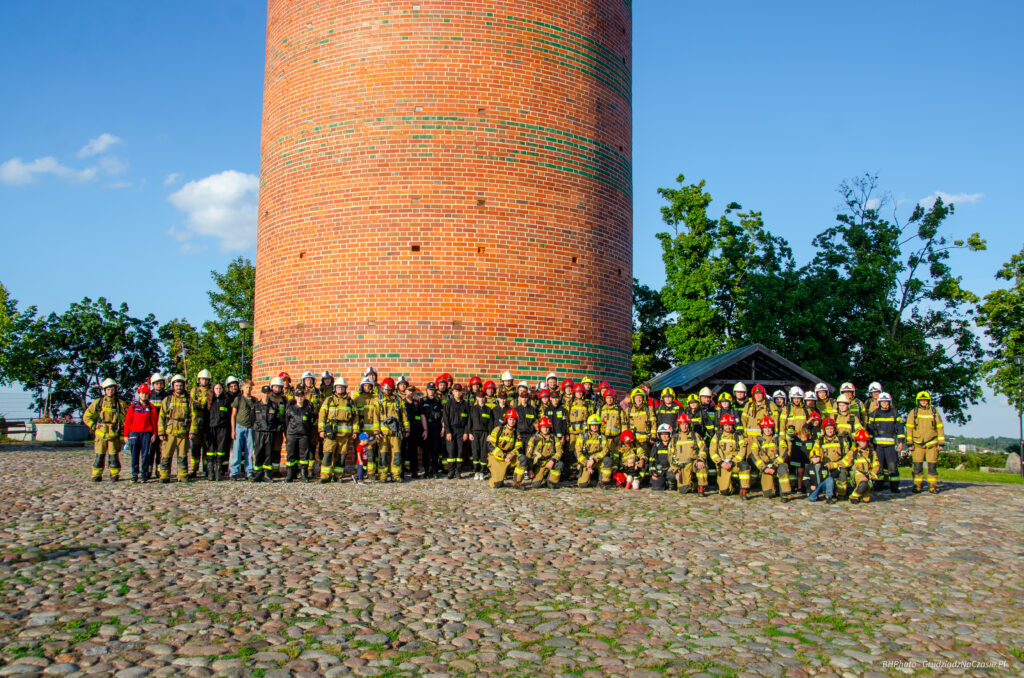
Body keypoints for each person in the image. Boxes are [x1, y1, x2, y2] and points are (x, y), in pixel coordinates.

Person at [83, 378, 129, 482]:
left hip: (113, 434)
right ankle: (96, 474)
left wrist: (124, 431)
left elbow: (127, 418)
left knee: (114, 457)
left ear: (115, 390)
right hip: (101, 434)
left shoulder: (120, 404)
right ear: (104, 390)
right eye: (108, 389)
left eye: (112, 389)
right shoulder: (98, 403)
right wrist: (93, 426)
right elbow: (87, 416)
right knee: (99, 456)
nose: (110, 391)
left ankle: (114, 474)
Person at [318, 377, 359, 483]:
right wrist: (321, 430)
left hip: (344, 435)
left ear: (345, 388)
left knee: (341, 456)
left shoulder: (350, 402)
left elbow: (355, 418)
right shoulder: (329, 400)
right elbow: (322, 415)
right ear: (335, 388)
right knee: (328, 454)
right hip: (331, 433)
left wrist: (355, 431)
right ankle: (325, 476)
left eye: (342, 387)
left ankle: (338, 476)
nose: (340, 389)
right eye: (338, 387)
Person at [905, 390, 945, 493]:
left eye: (925, 400)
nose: (923, 402)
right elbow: (909, 428)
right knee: (917, 467)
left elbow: (939, 427)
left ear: (929, 401)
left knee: (932, 466)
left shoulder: (934, 412)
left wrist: (941, 442)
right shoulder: (913, 412)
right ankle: (917, 486)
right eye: (921, 400)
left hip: (932, 443)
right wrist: (909, 442)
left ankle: (933, 486)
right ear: (918, 401)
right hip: (917, 444)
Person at [866, 392, 905, 493]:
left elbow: (900, 428)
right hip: (877, 445)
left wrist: (901, 442)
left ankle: (894, 487)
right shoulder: (873, 414)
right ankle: (878, 486)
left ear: (889, 402)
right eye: (882, 401)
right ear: (879, 403)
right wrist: (869, 443)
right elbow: (869, 429)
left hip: (890, 446)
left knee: (892, 466)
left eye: (886, 401)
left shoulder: (894, 414)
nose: (884, 403)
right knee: (879, 467)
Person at [371, 377, 409, 482]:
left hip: (396, 432)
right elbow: (375, 417)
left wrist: (406, 429)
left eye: (388, 389)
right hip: (382, 433)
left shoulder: (398, 400)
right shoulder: (378, 400)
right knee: (382, 454)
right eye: (385, 389)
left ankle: (396, 475)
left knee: (396, 454)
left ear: (392, 389)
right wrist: (376, 431)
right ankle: (383, 476)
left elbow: (404, 415)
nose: (386, 391)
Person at [748, 416, 793, 501]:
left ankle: (785, 493)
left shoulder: (778, 439)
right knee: (768, 494)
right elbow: (755, 456)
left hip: (776, 463)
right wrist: (764, 468)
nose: (767, 430)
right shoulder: (757, 440)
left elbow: (783, 454)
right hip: (765, 465)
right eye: (765, 428)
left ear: (772, 428)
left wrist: (775, 466)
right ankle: (774, 487)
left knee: (783, 468)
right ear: (762, 429)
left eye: (769, 428)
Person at [157, 375, 192, 483]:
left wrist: (193, 431)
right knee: (166, 455)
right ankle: (164, 475)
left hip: (183, 432)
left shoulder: (188, 400)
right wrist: (161, 432)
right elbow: (161, 417)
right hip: (169, 432)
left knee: (182, 456)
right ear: (173, 386)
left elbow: (193, 416)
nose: (179, 387)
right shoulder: (167, 400)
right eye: (177, 385)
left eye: (180, 385)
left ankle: (182, 475)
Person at [251, 377, 286, 482]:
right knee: (259, 452)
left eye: (279, 387)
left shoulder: (276, 404)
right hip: (259, 432)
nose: (266, 394)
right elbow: (252, 419)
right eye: (264, 393)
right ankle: (258, 473)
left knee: (269, 453)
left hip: (272, 431)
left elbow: (278, 418)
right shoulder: (256, 405)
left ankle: (268, 473)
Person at [124, 383, 158, 483]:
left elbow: (154, 422)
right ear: (139, 394)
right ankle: (134, 474)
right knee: (134, 455)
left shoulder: (151, 408)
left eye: (146, 394)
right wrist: (126, 435)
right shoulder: (133, 407)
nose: (144, 396)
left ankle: (144, 474)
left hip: (147, 434)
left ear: (148, 395)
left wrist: (154, 433)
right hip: (134, 433)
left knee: (145, 455)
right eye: (142, 393)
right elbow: (127, 422)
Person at [708, 413, 747, 497]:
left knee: (745, 466)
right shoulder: (717, 436)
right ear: (722, 426)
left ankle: (744, 489)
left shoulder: (738, 436)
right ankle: (732, 485)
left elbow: (742, 452)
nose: (728, 427)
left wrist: (732, 462)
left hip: (734, 464)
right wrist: (721, 463)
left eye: (730, 425)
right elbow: (712, 452)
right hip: (722, 465)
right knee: (724, 492)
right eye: (725, 425)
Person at [519, 416, 562, 489]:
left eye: (547, 427)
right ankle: (543, 479)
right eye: (543, 427)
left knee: (559, 464)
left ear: (550, 428)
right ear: (540, 428)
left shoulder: (554, 439)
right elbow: (528, 455)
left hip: (550, 463)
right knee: (536, 485)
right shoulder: (534, 439)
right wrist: (530, 469)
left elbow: (559, 451)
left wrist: (553, 460)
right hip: (538, 465)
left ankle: (551, 481)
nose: (545, 429)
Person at [812, 419, 850, 499]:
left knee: (843, 473)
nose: (830, 431)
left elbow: (847, 457)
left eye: (831, 429)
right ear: (824, 430)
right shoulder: (819, 441)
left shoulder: (841, 440)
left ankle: (841, 494)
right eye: (827, 429)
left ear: (834, 429)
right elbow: (814, 454)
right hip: (824, 465)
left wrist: (838, 465)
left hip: (838, 465)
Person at [669, 413, 705, 495]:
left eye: (686, 424)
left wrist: (700, 459)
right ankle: (692, 483)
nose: (684, 426)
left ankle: (701, 486)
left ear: (689, 425)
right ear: (679, 425)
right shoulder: (675, 438)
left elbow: (703, 448)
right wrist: (675, 470)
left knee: (702, 466)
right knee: (683, 490)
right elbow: (671, 455)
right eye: (682, 424)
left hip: (693, 463)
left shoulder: (694, 436)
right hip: (681, 466)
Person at [486, 409, 523, 488]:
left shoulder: (516, 433)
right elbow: (490, 445)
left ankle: (517, 482)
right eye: (510, 419)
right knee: (496, 485)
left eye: (514, 420)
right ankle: (496, 476)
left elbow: (519, 447)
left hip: (509, 457)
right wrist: (502, 455)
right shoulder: (498, 429)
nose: (512, 421)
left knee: (522, 459)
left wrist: (511, 454)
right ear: (507, 420)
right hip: (496, 457)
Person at [284, 387, 314, 482]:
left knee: (304, 456)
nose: (300, 398)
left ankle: (303, 474)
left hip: (304, 435)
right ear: (295, 398)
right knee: (291, 455)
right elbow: (286, 422)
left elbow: (310, 422)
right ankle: (290, 474)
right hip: (292, 434)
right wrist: (288, 433)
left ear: (304, 397)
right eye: (298, 396)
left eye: (302, 396)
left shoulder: (307, 409)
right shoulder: (290, 409)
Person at [844, 429, 881, 504]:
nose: (863, 443)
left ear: (867, 441)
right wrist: (832, 465)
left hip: (868, 475)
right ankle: (853, 497)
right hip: (856, 474)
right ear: (857, 441)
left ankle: (859, 494)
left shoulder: (872, 453)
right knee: (863, 483)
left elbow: (876, 465)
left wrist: (871, 476)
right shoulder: (853, 452)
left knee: (866, 499)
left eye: (864, 441)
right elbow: (844, 462)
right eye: (861, 441)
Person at [442, 382, 470, 479]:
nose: (458, 393)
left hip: (461, 431)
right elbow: (445, 419)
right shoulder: (448, 404)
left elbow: (468, 420)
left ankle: (458, 471)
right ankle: (451, 471)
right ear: (453, 392)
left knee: (460, 452)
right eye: (456, 391)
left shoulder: (465, 405)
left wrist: (466, 432)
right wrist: (448, 432)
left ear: (462, 392)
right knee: (451, 452)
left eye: (459, 391)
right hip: (451, 430)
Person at [576, 414, 612, 488]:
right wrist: (587, 464)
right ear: (589, 426)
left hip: (597, 461)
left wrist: (594, 459)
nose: (594, 427)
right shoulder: (583, 436)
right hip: (586, 462)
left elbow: (605, 450)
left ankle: (603, 481)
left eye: (596, 425)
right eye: (592, 425)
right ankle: (591, 479)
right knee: (582, 485)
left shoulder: (602, 437)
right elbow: (578, 453)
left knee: (608, 460)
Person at [188, 369, 213, 480]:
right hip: (196, 424)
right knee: (195, 448)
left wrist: (201, 403)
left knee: (206, 447)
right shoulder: (195, 390)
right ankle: (193, 469)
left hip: (207, 423)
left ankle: (207, 469)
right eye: (203, 379)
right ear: (199, 380)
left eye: (206, 379)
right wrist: (203, 402)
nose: (204, 381)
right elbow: (192, 403)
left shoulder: (211, 391)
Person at [230, 379, 256, 481]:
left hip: (250, 428)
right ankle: (234, 472)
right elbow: (233, 415)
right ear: (242, 388)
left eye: (250, 387)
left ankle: (248, 472)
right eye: (246, 387)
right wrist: (233, 430)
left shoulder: (254, 400)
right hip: (239, 426)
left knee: (249, 451)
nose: (248, 389)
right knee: (236, 450)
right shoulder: (238, 399)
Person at [206, 382, 233, 481]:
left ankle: (218, 471)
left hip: (223, 428)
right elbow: (206, 416)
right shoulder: (209, 401)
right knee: (211, 451)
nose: (218, 390)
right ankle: (210, 472)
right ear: (213, 390)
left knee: (221, 451)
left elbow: (229, 416)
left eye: (220, 388)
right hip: (211, 428)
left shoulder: (226, 401)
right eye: (216, 388)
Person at [403, 382, 426, 479]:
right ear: (405, 392)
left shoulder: (417, 403)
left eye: (413, 391)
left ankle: (414, 471)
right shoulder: (401, 403)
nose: (411, 393)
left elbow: (422, 416)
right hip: (404, 431)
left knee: (414, 452)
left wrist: (425, 429)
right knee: (402, 451)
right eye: (409, 391)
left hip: (415, 431)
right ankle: (401, 471)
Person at [468, 390, 493, 480]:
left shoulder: (488, 410)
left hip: (485, 433)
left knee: (483, 453)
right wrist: (469, 433)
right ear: (477, 398)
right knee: (475, 452)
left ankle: (482, 471)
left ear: (485, 398)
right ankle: (476, 471)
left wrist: (490, 434)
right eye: (480, 397)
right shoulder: (472, 409)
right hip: (474, 432)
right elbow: (469, 422)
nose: (481, 399)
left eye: (483, 397)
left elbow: (491, 423)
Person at [625, 387, 655, 459]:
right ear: (633, 399)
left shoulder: (649, 409)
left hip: (646, 440)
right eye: (637, 398)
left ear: (643, 398)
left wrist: (653, 436)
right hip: (633, 440)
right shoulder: (628, 410)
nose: (638, 399)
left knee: (645, 460)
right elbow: (625, 424)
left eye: (640, 397)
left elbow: (653, 423)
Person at [148, 373, 168, 478]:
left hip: (163, 428)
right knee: (150, 451)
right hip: (150, 428)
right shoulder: (149, 396)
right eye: (156, 384)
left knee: (161, 451)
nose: (159, 385)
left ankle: (159, 470)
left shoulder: (167, 396)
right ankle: (148, 470)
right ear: (153, 385)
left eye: (160, 383)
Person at [648, 424, 672, 491]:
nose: (664, 436)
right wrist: (653, 472)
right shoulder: (657, 445)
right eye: (662, 434)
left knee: (672, 476)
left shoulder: (673, 445)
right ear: (659, 435)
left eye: (666, 434)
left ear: (670, 434)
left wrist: (673, 466)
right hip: (659, 470)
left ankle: (671, 483)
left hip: (670, 470)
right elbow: (652, 460)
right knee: (656, 488)